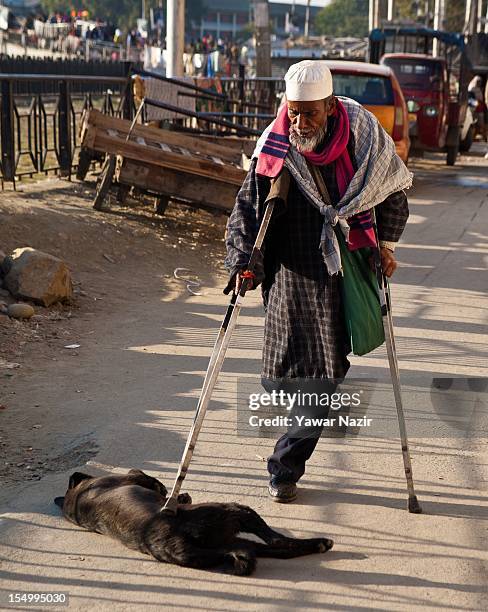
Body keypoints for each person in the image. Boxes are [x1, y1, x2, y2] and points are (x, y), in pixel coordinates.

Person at [224, 60, 411, 503]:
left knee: (327, 373)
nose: (299, 122)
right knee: (282, 374)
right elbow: (248, 209)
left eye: (309, 113)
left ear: (329, 107)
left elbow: (391, 194)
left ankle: (284, 467)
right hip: (288, 272)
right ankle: (292, 438)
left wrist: (385, 246)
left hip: (338, 273)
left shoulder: (363, 138)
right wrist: (240, 263)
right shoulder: (276, 145)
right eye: (293, 112)